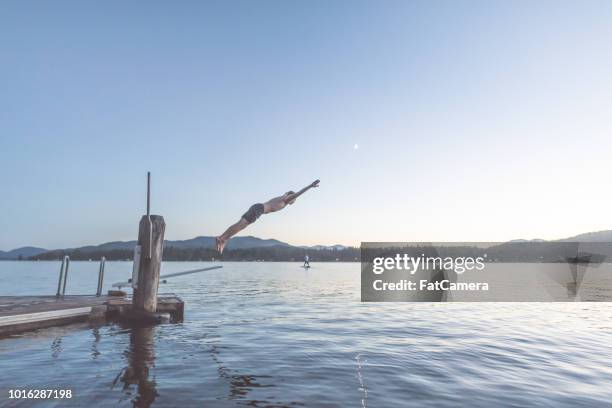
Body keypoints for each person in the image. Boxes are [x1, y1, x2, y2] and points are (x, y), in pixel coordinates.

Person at [215, 180, 320, 253]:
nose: (293, 201)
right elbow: (298, 193)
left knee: (240, 225)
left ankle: (222, 238)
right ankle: (222, 239)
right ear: (291, 197)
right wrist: (310, 186)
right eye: (294, 200)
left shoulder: (282, 197)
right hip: (259, 209)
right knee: (241, 226)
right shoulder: (285, 199)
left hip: (257, 207)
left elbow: (290, 194)